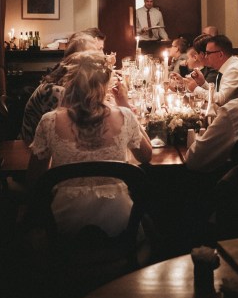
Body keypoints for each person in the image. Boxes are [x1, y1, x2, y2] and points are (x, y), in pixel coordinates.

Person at [27, 50, 152, 237]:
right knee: (150, 223)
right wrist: (125, 105)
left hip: (63, 222)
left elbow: (35, 180)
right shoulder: (125, 116)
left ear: (70, 83)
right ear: (106, 84)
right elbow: (146, 156)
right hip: (119, 221)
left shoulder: (49, 121)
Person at [19, 32, 100, 145]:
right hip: (32, 148)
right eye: (92, 57)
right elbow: (63, 129)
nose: (98, 61)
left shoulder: (66, 82)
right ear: (78, 60)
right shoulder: (55, 90)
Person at [189, 35, 238, 107]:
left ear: (220, 54)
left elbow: (220, 99)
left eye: (208, 53)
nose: (206, 56)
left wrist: (196, 89)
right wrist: (203, 83)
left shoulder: (233, 69)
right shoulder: (226, 67)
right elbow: (217, 93)